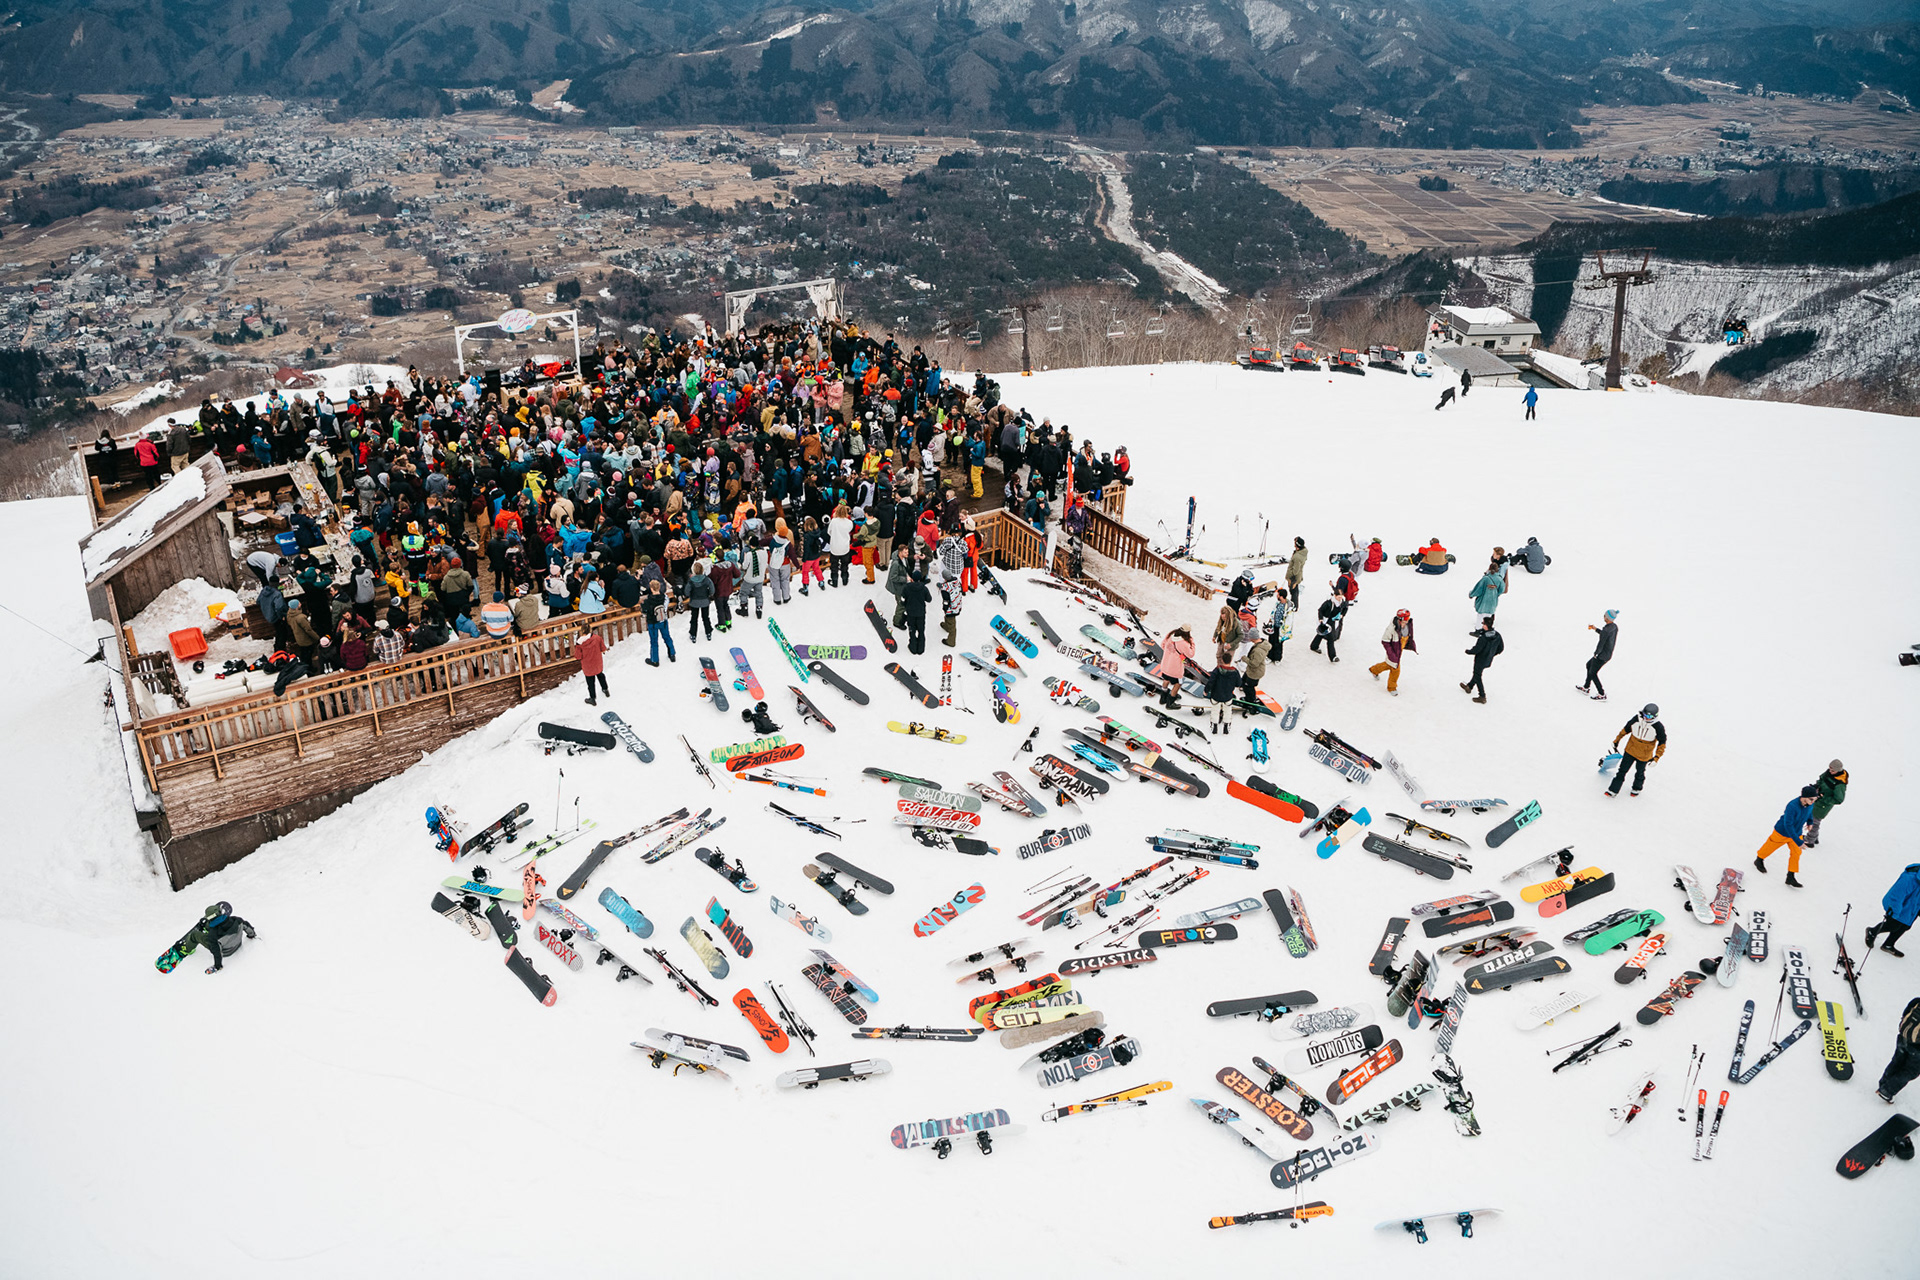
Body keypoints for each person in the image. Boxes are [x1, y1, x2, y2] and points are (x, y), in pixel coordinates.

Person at [1753, 785, 1818, 888]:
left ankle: (1790, 876)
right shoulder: (1792, 806)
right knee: (1770, 847)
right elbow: (1788, 825)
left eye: (1815, 799)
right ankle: (1759, 859)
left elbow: (1809, 813)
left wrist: (1810, 822)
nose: (1813, 801)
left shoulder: (1810, 804)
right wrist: (1798, 841)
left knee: (1796, 853)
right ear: (1804, 797)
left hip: (1796, 833)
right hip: (1782, 832)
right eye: (1811, 799)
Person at [1606, 703, 1667, 797]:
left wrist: (1656, 758)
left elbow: (1662, 743)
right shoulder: (1636, 719)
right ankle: (1613, 790)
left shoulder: (1658, 727)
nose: (1647, 718)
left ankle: (1637, 788)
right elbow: (1625, 729)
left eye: (1650, 716)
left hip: (1644, 755)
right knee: (1622, 771)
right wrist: (1616, 740)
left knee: (1640, 772)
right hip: (1630, 750)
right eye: (1645, 715)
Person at [1864, 863, 1920, 960]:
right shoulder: (1910, 878)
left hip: (1912, 909)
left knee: (1905, 926)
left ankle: (1888, 945)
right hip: (1898, 907)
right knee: (1893, 925)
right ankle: (1872, 932)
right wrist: (1894, 912)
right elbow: (1896, 896)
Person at [186, 901, 256, 974]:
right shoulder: (236, 920)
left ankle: (188, 949)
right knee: (217, 926)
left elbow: (217, 952)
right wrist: (252, 935)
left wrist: (217, 966)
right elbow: (247, 926)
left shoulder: (212, 935)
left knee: (194, 935)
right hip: (237, 944)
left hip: (225, 952)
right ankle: (206, 926)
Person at [1877, 998, 1920, 1102]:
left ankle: (1884, 1083)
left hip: (1902, 1038)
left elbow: (1905, 1014)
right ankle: (1887, 1090)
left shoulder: (1917, 1001)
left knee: (1897, 1060)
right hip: (1917, 1049)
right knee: (1910, 1071)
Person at [1368, 609, 1416, 695]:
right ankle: (1392, 687)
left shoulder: (1408, 625)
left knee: (1389, 664)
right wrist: (1391, 653)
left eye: (1407, 620)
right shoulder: (1391, 628)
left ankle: (1374, 670)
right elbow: (1384, 641)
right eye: (1404, 621)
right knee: (1395, 668)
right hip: (1394, 650)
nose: (1406, 622)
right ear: (1399, 620)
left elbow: (1409, 635)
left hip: (1400, 648)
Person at [1804, 759, 1848, 849]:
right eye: (1830, 769)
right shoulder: (1829, 772)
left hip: (1824, 805)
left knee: (1814, 821)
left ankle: (1810, 841)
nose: (1830, 771)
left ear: (1838, 770)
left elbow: (1839, 799)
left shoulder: (1840, 784)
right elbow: (1822, 779)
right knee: (1812, 818)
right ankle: (1814, 837)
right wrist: (1816, 786)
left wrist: (1824, 798)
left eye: (1833, 770)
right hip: (1818, 800)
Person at [1579, 609, 1618, 700]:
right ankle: (1586, 687)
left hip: (1602, 656)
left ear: (1607, 618)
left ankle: (1601, 693)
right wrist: (1595, 629)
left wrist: (1596, 653)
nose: (1603, 616)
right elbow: (1604, 635)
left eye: (1605, 615)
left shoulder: (1606, 630)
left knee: (1593, 673)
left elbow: (1601, 643)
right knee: (1589, 665)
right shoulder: (1614, 627)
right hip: (1607, 654)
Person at [1461, 616, 1502, 703]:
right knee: (1477, 673)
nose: (1482, 625)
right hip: (1488, 659)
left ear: (1486, 625)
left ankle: (1482, 696)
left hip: (1480, 659)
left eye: (1483, 623)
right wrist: (1492, 654)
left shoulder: (1483, 638)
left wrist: (1469, 651)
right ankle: (1469, 686)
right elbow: (1501, 648)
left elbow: (1477, 649)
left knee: (1477, 675)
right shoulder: (1497, 635)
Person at [1155, 624, 1195, 708]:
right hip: (1175, 669)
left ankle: (1163, 697)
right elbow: (1191, 654)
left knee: (1166, 679)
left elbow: (1163, 645)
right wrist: (1192, 643)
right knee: (1178, 684)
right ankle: (1170, 702)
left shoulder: (1170, 635)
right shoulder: (1184, 643)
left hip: (1165, 665)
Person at [1204, 644, 1239, 737]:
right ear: (1230, 661)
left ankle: (1214, 726)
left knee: (1215, 711)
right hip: (1228, 695)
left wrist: (1206, 690)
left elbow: (1211, 682)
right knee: (1228, 711)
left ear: (1222, 660)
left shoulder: (1217, 670)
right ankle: (1226, 726)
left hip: (1216, 695)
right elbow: (1239, 683)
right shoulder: (1235, 672)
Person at [642, 578, 676, 667]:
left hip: (652, 622)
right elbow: (665, 606)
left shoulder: (648, 601)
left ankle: (655, 660)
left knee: (654, 641)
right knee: (667, 637)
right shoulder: (665, 597)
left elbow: (644, 611)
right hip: (663, 620)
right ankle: (672, 654)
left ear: (651, 588)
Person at [1309, 591, 1345, 664]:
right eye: (1339, 596)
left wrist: (1342, 615)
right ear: (1335, 595)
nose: (1340, 598)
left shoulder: (1342, 602)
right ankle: (1333, 656)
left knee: (1322, 633)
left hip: (1332, 621)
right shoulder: (1328, 603)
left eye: (1341, 596)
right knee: (1330, 638)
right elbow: (1320, 610)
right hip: (1325, 621)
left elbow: (1345, 608)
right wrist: (1321, 619)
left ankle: (1314, 646)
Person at [902, 569, 932, 655]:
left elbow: (902, 599)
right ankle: (921, 649)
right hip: (921, 613)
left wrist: (905, 604)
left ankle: (913, 648)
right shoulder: (924, 588)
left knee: (912, 630)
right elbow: (929, 599)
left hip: (910, 613)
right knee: (921, 631)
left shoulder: (907, 587)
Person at [685, 559, 716, 642]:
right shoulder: (707, 580)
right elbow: (712, 590)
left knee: (694, 618)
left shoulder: (691, 581)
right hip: (705, 601)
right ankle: (708, 632)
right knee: (706, 617)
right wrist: (709, 594)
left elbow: (687, 592)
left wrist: (690, 595)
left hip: (694, 602)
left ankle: (693, 634)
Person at [576, 627, 609, 701]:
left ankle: (592, 698)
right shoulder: (597, 638)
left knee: (590, 682)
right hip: (597, 662)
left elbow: (578, 656)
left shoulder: (579, 643)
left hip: (588, 666)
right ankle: (605, 689)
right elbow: (603, 648)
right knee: (601, 676)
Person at [1285, 537, 1307, 607]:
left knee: (1293, 591)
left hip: (1294, 577)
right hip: (1298, 576)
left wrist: (1289, 577)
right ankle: (1294, 605)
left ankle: (1294, 606)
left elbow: (1295, 571)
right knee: (1295, 591)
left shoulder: (1297, 557)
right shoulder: (1302, 552)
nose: (1294, 546)